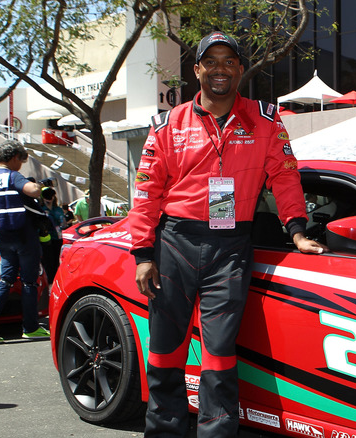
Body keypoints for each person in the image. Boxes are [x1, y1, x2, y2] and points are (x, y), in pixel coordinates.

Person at [128, 31, 327, 437]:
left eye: (228, 62)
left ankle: (216, 432)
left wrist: (297, 231)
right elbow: (147, 192)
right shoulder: (166, 125)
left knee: (219, 354)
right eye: (211, 62)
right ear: (197, 69)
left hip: (231, 247)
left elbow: (285, 179)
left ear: (239, 69)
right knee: (166, 351)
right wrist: (142, 253)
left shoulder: (267, 119)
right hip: (174, 245)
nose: (220, 69)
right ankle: (163, 431)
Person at [0, 140, 51, 343]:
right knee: (29, 282)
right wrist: (39, 185)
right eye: (21, 161)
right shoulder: (13, 175)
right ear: (14, 158)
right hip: (23, 234)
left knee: (5, 279)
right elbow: (33, 191)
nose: (20, 165)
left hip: (1, 235)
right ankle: (30, 328)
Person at [39, 187, 65, 282]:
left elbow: (63, 223)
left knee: (55, 260)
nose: (48, 199)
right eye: (46, 196)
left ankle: (54, 280)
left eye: (50, 196)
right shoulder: (41, 209)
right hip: (45, 238)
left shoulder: (58, 210)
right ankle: (48, 280)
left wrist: (62, 223)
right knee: (47, 261)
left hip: (57, 238)